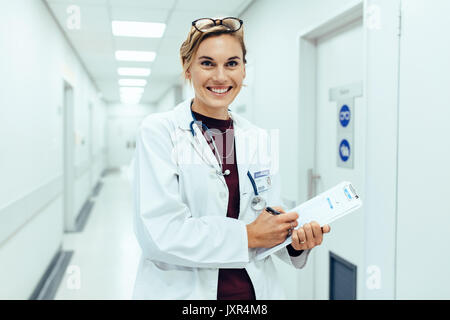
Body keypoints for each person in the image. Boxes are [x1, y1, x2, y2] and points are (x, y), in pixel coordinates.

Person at [130, 17, 331, 300]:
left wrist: (294, 242)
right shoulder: (159, 131)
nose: (221, 77)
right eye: (207, 63)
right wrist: (247, 235)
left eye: (232, 63)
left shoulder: (258, 137)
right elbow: (158, 233)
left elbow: (268, 216)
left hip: (252, 293)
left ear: (245, 70)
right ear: (188, 68)